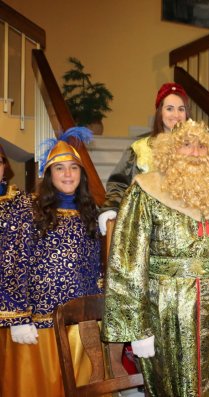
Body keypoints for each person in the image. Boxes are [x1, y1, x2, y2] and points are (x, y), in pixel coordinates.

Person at [101, 119, 209, 397]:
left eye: (201, 146)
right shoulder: (145, 191)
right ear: (171, 152)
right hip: (166, 307)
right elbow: (128, 261)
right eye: (187, 145)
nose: (196, 153)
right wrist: (137, 329)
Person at [0, 128, 102, 397]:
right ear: (49, 174)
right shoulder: (27, 208)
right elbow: (12, 260)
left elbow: (95, 270)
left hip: (80, 326)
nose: (68, 174)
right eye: (59, 169)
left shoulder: (89, 213)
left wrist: (98, 311)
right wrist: (17, 317)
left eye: (73, 168)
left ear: (81, 174)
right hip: (37, 326)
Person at [99, 82, 189, 234]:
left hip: (187, 231)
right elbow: (119, 184)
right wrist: (111, 208)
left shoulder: (198, 149)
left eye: (181, 109)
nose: (176, 115)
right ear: (160, 112)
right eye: (169, 109)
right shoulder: (139, 149)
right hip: (147, 231)